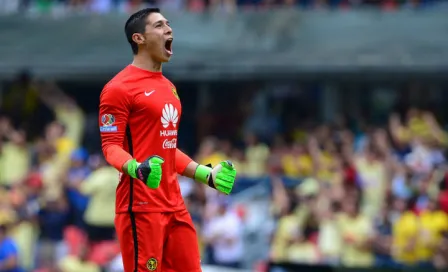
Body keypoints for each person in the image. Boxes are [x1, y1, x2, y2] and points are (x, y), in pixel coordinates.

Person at [98, 8, 237, 272]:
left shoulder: (168, 87)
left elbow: (168, 148)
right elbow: (110, 147)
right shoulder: (118, 88)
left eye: (169, 24)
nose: (169, 29)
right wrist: (137, 169)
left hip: (175, 205)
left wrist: (205, 174)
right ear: (139, 38)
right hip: (140, 207)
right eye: (160, 26)